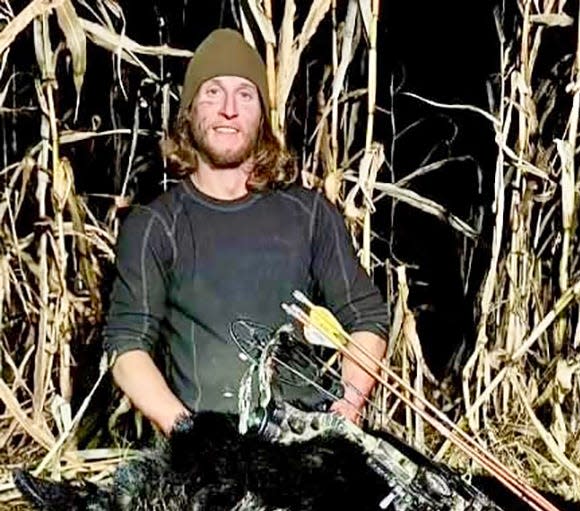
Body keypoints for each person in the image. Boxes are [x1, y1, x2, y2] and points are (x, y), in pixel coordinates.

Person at [104, 28, 388, 434]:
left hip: (303, 441)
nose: (229, 110)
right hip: (211, 451)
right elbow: (126, 344)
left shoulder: (308, 214)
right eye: (213, 92)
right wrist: (187, 432)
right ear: (189, 112)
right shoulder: (155, 226)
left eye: (245, 94)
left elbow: (366, 316)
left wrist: (345, 410)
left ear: (261, 116)